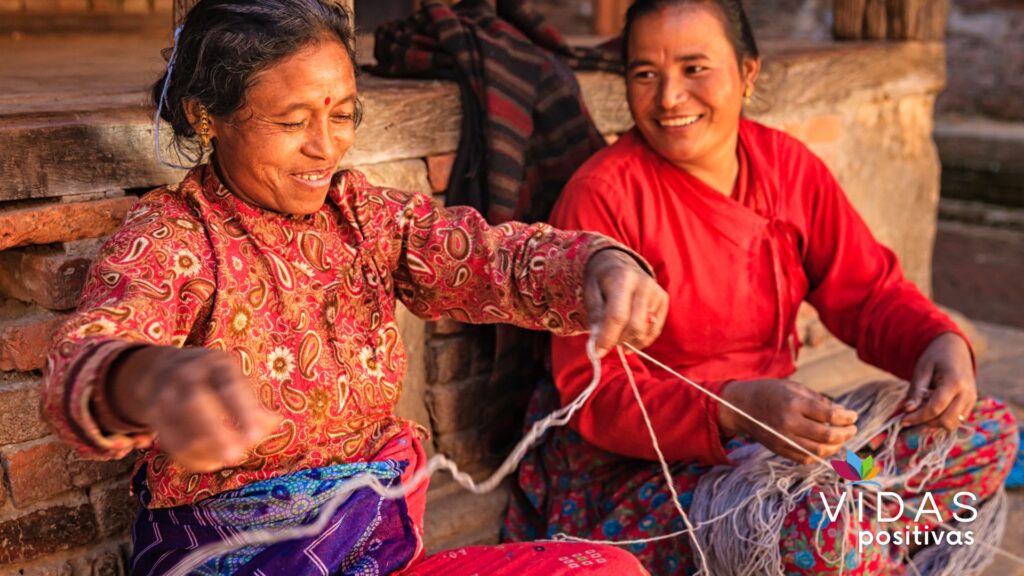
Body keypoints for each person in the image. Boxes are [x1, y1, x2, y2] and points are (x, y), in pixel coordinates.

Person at [39, 1, 667, 573]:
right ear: (208, 117)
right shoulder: (175, 236)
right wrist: (150, 381)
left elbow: (488, 258)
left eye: (342, 114)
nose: (326, 146)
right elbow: (89, 353)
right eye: (292, 122)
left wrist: (595, 267)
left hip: (377, 556)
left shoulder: (363, 216)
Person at [503, 0, 1019, 574]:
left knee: (986, 431)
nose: (670, 97)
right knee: (823, 535)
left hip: (773, 443)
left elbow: (869, 293)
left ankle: (864, 540)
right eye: (645, 74)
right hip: (642, 474)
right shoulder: (603, 195)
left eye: (695, 68)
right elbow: (593, 396)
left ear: (748, 72)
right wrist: (733, 410)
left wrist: (937, 341)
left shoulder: (787, 168)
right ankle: (865, 543)